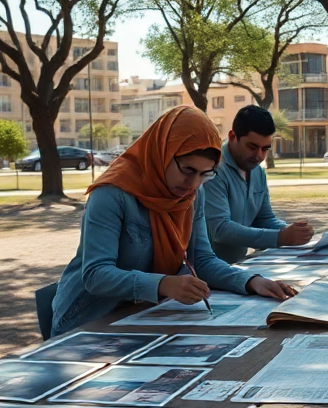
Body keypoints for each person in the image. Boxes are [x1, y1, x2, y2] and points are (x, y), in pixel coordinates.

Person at [50, 106, 295, 336]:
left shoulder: (192, 195)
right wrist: (163, 284)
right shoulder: (111, 193)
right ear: (163, 152)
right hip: (89, 322)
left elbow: (201, 259)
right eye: (188, 170)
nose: (193, 184)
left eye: (205, 174)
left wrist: (251, 281)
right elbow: (96, 274)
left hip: (145, 316)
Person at [203, 105, 313, 263]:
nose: (259, 156)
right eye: (252, 147)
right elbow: (220, 229)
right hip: (206, 274)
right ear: (233, 137)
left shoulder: (257, 171)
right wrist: (280, 237)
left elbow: (264, 219)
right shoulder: (212, 170)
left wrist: (289, 230)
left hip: (238, 268)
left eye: (265, 149)